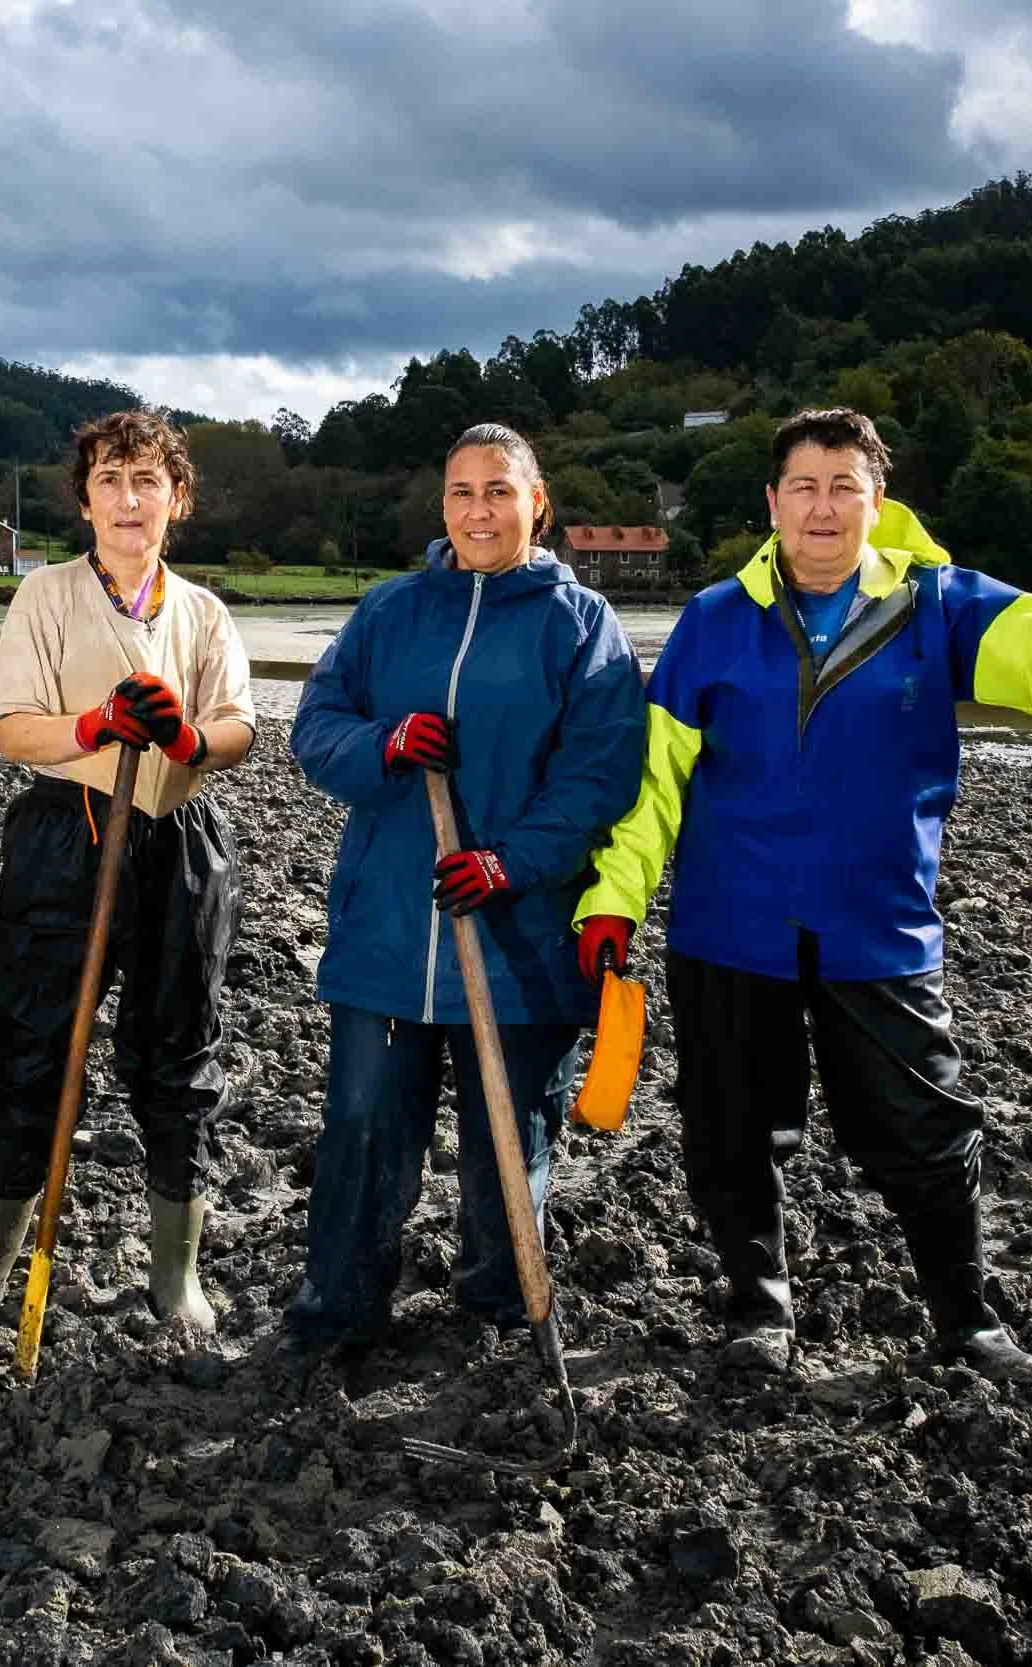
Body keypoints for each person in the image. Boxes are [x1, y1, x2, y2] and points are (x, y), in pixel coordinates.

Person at [573, 407, 1032, 1381]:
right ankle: (757, 1310)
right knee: (732, 1127)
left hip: (877, 928)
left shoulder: (940, 605)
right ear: (770, 503)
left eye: (844, 486)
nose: (822, 506)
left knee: (926, 1127)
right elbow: (651, 785)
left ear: (876, 501)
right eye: (802, 486)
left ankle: (965, 1317)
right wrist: (612, 899)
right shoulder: (715, 621)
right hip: (731, 926)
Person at [282, 423, 646, 1358]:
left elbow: (600, 774)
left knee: (505, 1138)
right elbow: (317, 726)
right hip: (388, 935)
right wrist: (386, 745)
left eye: (497, 490)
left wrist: (511, 862)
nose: (478, 509)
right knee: (362, 1127)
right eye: (460, 491)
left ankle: (498, 1303)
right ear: (442, 505)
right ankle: (340, 1308)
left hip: (517, 936)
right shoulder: (391, 611)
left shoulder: (579, 625)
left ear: (538, 503)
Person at [0, 410, 256, 1333]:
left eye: (148, 481)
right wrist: (96, 726)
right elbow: (12, 726)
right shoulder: (47, 597)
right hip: (68, 832)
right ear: (85, 499)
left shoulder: (205, 611)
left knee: (179, 1058)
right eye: (110, 480)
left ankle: (176, 1276)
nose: (129, 498)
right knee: (33, 1049)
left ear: (177, 500)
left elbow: (238, 728)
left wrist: (188, 737)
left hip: (179, 837)